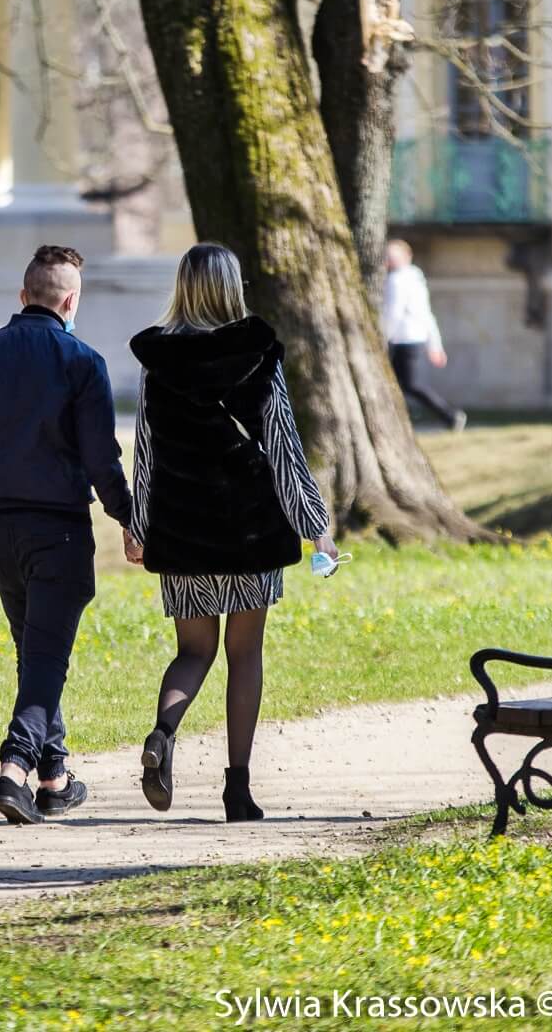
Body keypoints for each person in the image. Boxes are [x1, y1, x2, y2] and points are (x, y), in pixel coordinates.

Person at [0, 245, 135, 825]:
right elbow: (102, 459)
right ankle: (13, 770)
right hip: (58, 530)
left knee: (36, 653)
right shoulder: (83, 362)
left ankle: (54, 777)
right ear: (71, 301)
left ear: (23, 296)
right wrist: (128, 519)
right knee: (44, 657)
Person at [127, 243, 341, 822]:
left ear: (183, 288)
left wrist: (138, 527)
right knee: (244, 655)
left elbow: (146, 453)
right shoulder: (259, 355)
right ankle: (238, 791)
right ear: (231, 287)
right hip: (250, 534)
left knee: (192, 651)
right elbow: (284, 449)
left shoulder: (157, 362)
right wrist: (317, 528)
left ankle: (163, 734)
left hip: (182, 535)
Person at [380, 239, 466, 431]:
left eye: (393, 256)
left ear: (407, 256)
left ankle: (449, 416)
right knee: (404, 385)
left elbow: (394, 313)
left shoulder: (397, 280)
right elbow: (427, 315)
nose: (389, 260)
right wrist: (435, 344)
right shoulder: (415, 279)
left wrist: (383, 337)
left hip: (401, 340)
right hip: (414, 338)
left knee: (409, 385)